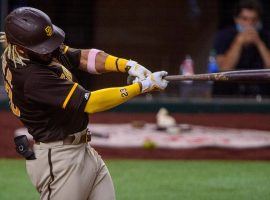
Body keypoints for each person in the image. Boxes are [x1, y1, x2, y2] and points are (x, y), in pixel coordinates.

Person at [0, 7, 168, 200]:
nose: (51, 50)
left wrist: (128, 65)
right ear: (21, 48)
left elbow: (81, 57)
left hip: (82, 151)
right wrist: (142, 87)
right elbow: (90, 102)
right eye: (43, 46)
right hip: (60, 159)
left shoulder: (30, 52)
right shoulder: (32, 78)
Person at [213, 0, 270, 97]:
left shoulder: (266, 36)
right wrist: (239, 42)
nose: (249, 24)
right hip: (230, 91)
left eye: (254, 20)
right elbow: (225, 69)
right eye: (245, 19)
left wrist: (259, 43)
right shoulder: (223, 36)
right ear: (236, 19)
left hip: (260, 90)